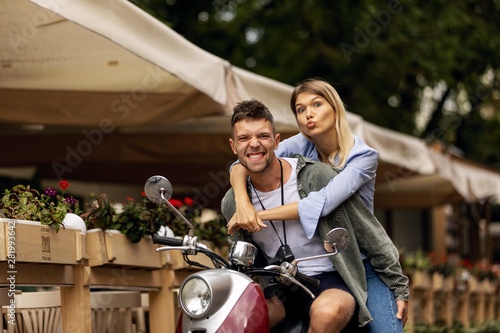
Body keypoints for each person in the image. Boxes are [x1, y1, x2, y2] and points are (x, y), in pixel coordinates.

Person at [228, 79, 407, 332]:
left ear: (335, 108)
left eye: (317, 104)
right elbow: (246, 161)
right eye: (300, 109)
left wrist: (257, 215)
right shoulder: (299, 144)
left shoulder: (362, 156)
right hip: (322, 261)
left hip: (362, 260)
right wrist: (241, 202)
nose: (308, 114)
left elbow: (319, 204)